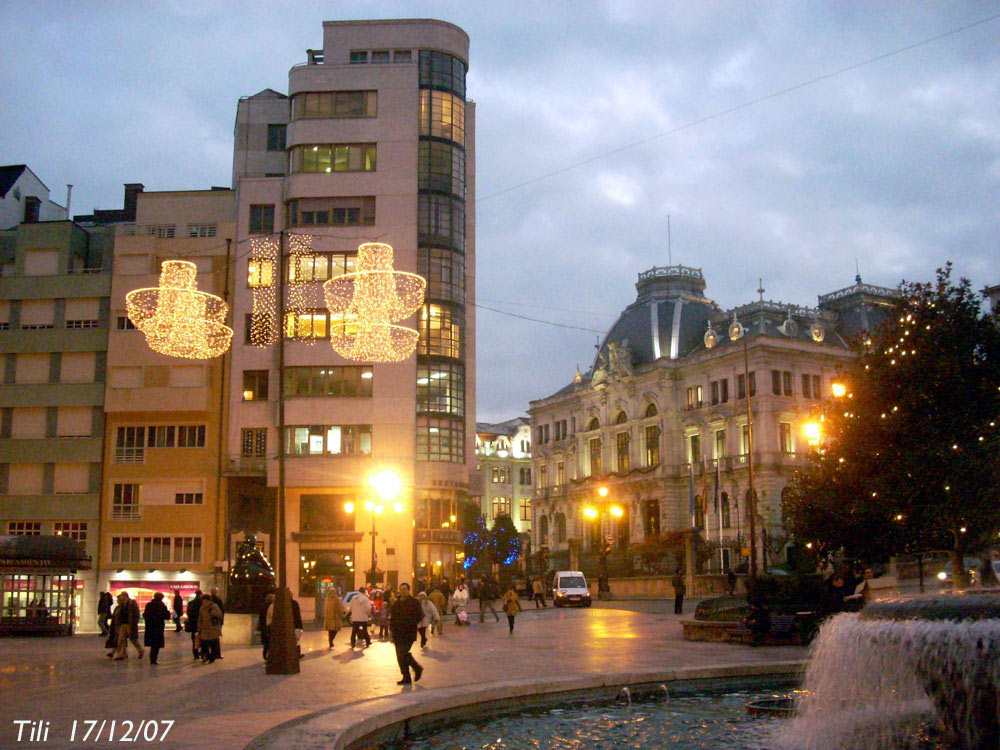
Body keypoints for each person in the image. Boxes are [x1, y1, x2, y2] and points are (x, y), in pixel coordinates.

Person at [389, 583, 424, 685]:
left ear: (408, 590)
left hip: (408, 633)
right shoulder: (397, 604)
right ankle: (406, 676)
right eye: (401, 590)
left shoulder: (414, 602)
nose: (402, 591)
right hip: (397, 633)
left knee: (402, 653)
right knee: (400, 656)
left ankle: (417, 668)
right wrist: (391, 632)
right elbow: (393, 619)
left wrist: (411, 623)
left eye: (404, 589)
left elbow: (420, 616)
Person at [112, 592, 143, 660]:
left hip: (130, 624)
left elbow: (136, 613)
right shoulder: (122, 604)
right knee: (121, 640)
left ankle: (140, 650)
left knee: (133, 639)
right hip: (123, 624)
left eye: (121, 596)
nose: (120, 597)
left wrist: (134, 623)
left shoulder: (132, 603)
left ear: (125, 596)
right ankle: (121, 655)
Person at [143, 592, 171, 665]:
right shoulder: (161, 606)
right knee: (156, 645)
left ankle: (152, 659)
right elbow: (167, 616)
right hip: (158, 627)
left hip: (150, 627)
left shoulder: (149, 605)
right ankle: (153, 659)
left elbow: (145, 615)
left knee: (152, 644)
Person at [197, 593, 223, 663]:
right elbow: (200, 618)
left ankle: (212, 658)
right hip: (204, 629)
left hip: (213, 629)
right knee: (204, 645)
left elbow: (219, 614)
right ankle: (207, 656)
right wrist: (199, 626)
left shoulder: (214, 606)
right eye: (203, 601)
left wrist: (212, 612)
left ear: (209, 601)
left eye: (205, 601)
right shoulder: (202, 608)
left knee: (213, 645)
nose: (204, 602)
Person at [185, 590, 203, 659]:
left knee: (194, 639)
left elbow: (188, 613)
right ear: (200, 595)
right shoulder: (202, 603)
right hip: (200, 623)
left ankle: (195, 653)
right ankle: (202, 652)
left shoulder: (191, 603)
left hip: (193, 623)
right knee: (202, 638)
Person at [259, 593, 274, 660]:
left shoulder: (263, 606)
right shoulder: (272, 607)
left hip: (264, 626)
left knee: (266, 642)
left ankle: (265, 655)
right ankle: (269, 656)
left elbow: (261, 617)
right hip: (269, 626)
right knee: (270, 642)